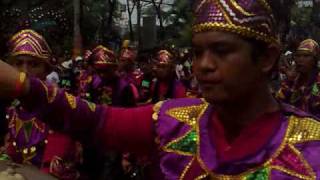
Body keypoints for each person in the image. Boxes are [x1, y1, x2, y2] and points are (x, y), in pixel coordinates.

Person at [0, 0, 320, 179]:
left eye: (221, 51)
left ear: (266, 58)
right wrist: (20, 85)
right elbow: (96, 121)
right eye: (197, 52)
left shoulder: (312, 149)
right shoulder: (174, 121)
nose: (203, 65)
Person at [4, 29, 80, 179]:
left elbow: (54, 167)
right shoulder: (14, 107)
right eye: (19, 63)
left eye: (33, 64)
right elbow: (13, 152)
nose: (24, 71)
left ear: (46, 70)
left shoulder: (58, 104)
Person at [277, 39, 320, 117]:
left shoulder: (318, 81)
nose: (300, 59)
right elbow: (279, 102)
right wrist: (289, 81)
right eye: (298, 56)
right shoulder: (293, 79)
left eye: (306, 56)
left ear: (315, 60)